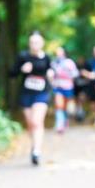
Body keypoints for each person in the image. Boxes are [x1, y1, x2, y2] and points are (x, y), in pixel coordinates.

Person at [10, 32, 54, 165]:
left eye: (37, 42)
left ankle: (36, 151)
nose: (34, 45)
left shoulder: (46, 58)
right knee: (30, 124)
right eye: (32, 42)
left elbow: (50, 70)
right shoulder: (23, 57)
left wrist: (51, 74)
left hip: (42, 93)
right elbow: (12, 74)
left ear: (42, 44)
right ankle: (34, 144)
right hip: (26, 93)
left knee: (37, 121)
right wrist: (21, 69)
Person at [50, 46, 79, 134]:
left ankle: (65, 121)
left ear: (64, 52)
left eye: (60, 51)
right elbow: (50, 74)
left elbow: (75, 73)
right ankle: (59, 124)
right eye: (57, 51)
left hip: (67, 87)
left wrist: (68, 75)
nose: (58, 53)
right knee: (59, 105)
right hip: (57, 87)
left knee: (65, 106)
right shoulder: (53, 63)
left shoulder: (69, 62)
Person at [80, 45, 95, 127]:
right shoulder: (89, 62)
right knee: (92, 103)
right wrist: (89, 75)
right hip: (91, 86)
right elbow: (82, 71)